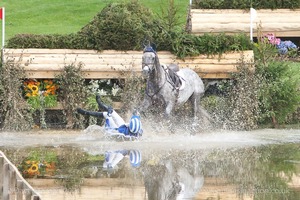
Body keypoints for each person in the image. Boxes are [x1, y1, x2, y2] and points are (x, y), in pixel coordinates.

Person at [77, 95, 143, 138]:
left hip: (115, 129)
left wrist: (109, 114)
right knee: (113, 112)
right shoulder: (138, 127)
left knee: (106, 114)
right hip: (123, 125)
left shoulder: (122, 132)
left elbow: (110, 131)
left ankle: (86, 113)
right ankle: (101, 104)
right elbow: (136, 116)